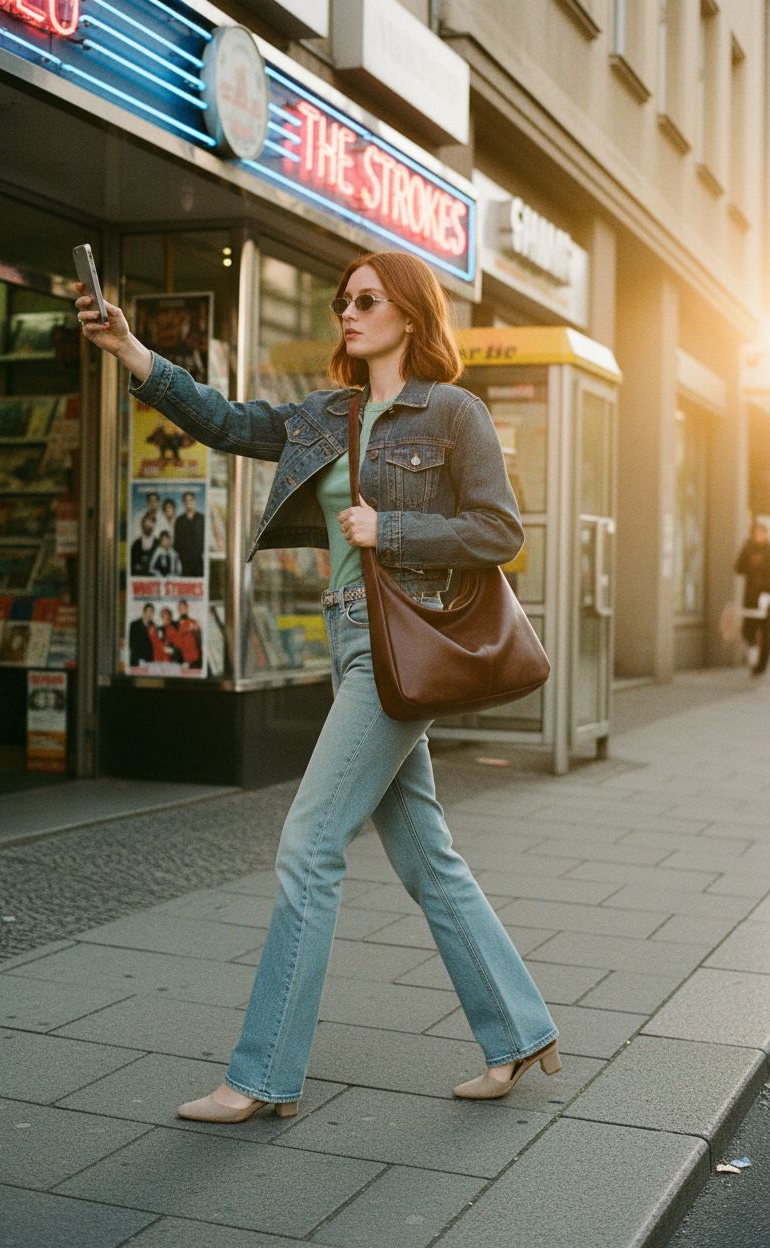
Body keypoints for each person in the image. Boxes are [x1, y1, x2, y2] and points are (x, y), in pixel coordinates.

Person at [76, 250, 560, 1124]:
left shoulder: (453, 412)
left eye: (367, 300)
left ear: (409, 313)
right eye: (343, 300)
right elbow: (227, 422)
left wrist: (391, 527)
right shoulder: (328, 413)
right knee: (426, 856)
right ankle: (520, 1032)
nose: (349, 311)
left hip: (399, 643)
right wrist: (135, 355)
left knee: (308, 845)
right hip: (348, 638)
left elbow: (498, 531)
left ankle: (263, 1076)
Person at [734, 520, 770, 676]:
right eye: (756, 532)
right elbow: (738, 568)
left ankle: (760, 666)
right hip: (751, 597)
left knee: (767, 632)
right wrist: (747, 556)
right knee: (747, 630)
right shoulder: (748, 549)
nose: (759, 535)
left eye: (762, 532)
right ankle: (753, 652)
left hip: (768, 597)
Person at [173, 490, 205, 576]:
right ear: (183, 503)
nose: (189, 503)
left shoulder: (202, 519)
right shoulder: (179, 520)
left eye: (191, 500)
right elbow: (176, 543)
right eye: (186, 501)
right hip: (184, 560)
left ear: (194, 501)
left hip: (199, 560)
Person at [128, 603, 157, 668]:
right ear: (144, 612)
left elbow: (153, 644)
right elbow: (131, 643)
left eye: (151, 611)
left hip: (149, 660)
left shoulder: (153, 626)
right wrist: (137, 659)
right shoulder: (134, 625)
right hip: (136, 660)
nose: (149, 614)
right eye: (148, 611)